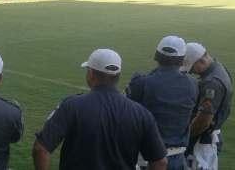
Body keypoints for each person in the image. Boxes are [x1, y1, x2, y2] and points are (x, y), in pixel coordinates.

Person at [33, 49, 168, 170]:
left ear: (91, 74)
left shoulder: (71, 105)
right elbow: (160, 162)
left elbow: (40, 148)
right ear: (118, 75)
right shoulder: (142, 114)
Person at [123, 36, 199, 170]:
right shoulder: (192, 85)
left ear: (155, 56)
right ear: (181, 61)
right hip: (177, 161)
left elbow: (122, 111)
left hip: (147, 161)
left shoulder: (141, 82)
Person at [179, 43, 233, 170]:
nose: (191, 71)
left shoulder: (212, 83)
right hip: (207, 137)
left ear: (201, 61)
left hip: (203, 141)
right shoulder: (221, 69)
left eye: (192, 66)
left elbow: (203, 121)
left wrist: (183, 138)